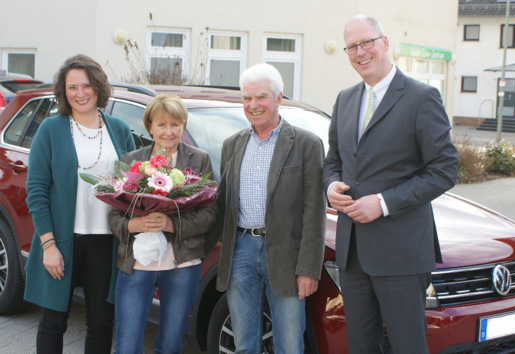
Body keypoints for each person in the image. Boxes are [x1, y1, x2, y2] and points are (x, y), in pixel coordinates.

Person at [322, 16, 458, 354]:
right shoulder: (345, 99)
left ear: (384, 42)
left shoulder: (421, 97)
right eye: (351, 46)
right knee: (361, 346)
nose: (360, 52)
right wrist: (331, 186)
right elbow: (333, 162)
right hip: (352, 252)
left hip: (401, 252)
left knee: (407, 346)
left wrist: (382, 203)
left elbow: (445, 168)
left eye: (366, 42)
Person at [24, 54, 136, 353]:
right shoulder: (50, 129)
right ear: (63, 91)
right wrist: (48, 246)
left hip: (105, 241)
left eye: (86, 85)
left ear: (98, 87)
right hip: (63, 240)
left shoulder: (119, 129)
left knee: (101, 323)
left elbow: (134, 185)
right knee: (53, 321)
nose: (80, 93)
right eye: (72, 87)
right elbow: (36, 191)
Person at [214, 63, 326, 353]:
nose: (253, 105)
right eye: (247, 98)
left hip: (286, 257)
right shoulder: (232, 145)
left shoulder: (306, 144)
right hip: (240, 251)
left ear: (278, 98)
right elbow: (221, 204)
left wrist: (309, 269)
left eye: (261, 97)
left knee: (289, 344)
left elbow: (315, 212)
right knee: (244, 344)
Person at [108, 94, 216, 353]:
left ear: (183, 126)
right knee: (127, 343)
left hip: (181, 264)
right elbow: (114, 216)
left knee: (170, 344)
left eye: (175, 125)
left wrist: (171, 224)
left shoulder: (199, 160)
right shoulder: (132, 161)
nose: (169, 132)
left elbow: (209, 214)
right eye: (161, 125)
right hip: (137, 263)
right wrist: (132, 227)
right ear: (150, 127)